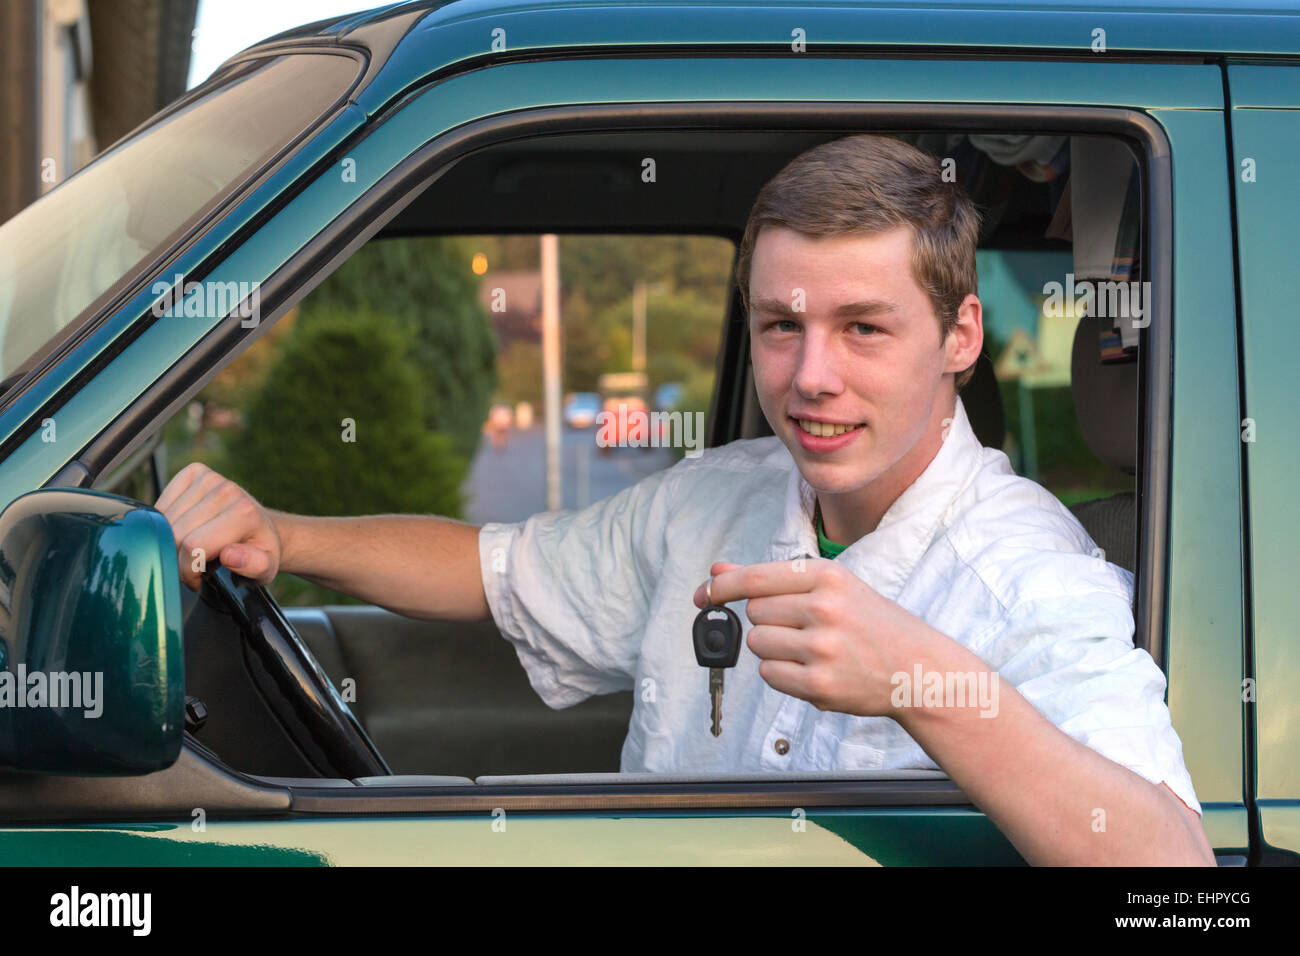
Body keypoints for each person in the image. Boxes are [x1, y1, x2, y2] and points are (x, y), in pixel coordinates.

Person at [155, 134, 1214, 866]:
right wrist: (283, 534)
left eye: (864, 328)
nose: (809, 377)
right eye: (780, 325)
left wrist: (921, 680)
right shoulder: (714, 498)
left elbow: (1177, 871)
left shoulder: (1029, 572)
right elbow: (490, 567)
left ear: (962, 337)